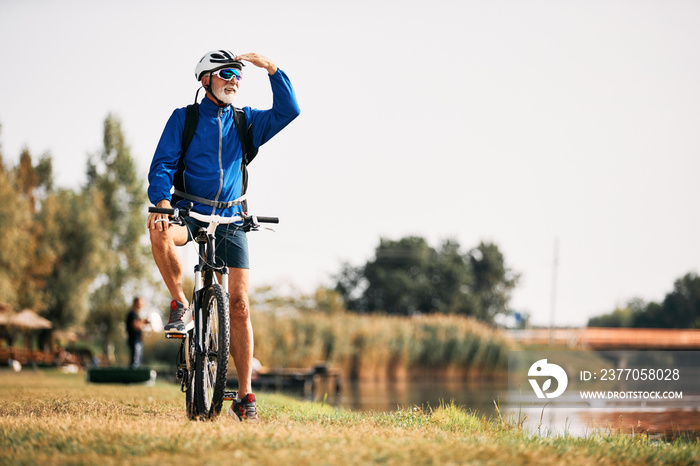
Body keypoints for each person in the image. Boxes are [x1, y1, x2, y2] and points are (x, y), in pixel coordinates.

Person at [147, 50, 300, 421]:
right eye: (226, 73)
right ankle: (181, 305)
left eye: (238, 75)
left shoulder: (247, 122)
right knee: (158, 229)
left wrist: (272, 69)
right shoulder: (183, 119)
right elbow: (163, 165)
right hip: (189, 212)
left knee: (240, 304)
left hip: (232, 217)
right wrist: (162, 203)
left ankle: (244, 396)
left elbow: (289, 110)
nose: (234, 80)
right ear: (205, 80)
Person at [125, 297, 149, 369]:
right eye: (140, 302)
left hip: (138, 340)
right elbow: (135, 326)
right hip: (134, 340)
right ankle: (131, 377)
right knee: (135, 361)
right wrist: (144, 322)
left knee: (137, 361)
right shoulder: (132, 314)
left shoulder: (136, 315)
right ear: (135, 303)